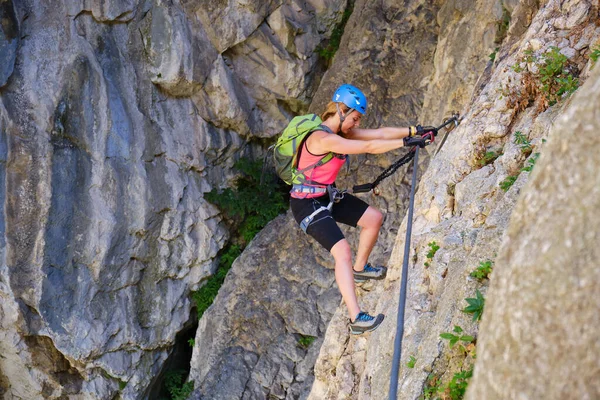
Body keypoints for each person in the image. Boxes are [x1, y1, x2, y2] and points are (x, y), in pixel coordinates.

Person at [290, 84, 436, 334]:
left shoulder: (343, 133)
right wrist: (405, 142)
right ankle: (356, 318)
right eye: (355, 118)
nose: (356, 124)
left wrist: (415, 130)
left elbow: (377, 134)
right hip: (306, 205)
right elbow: (369, 146)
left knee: (373, 219)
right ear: (341, 111)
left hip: (326, 195)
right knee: (342, 251)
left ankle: (360, 270)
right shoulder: (322, 138)